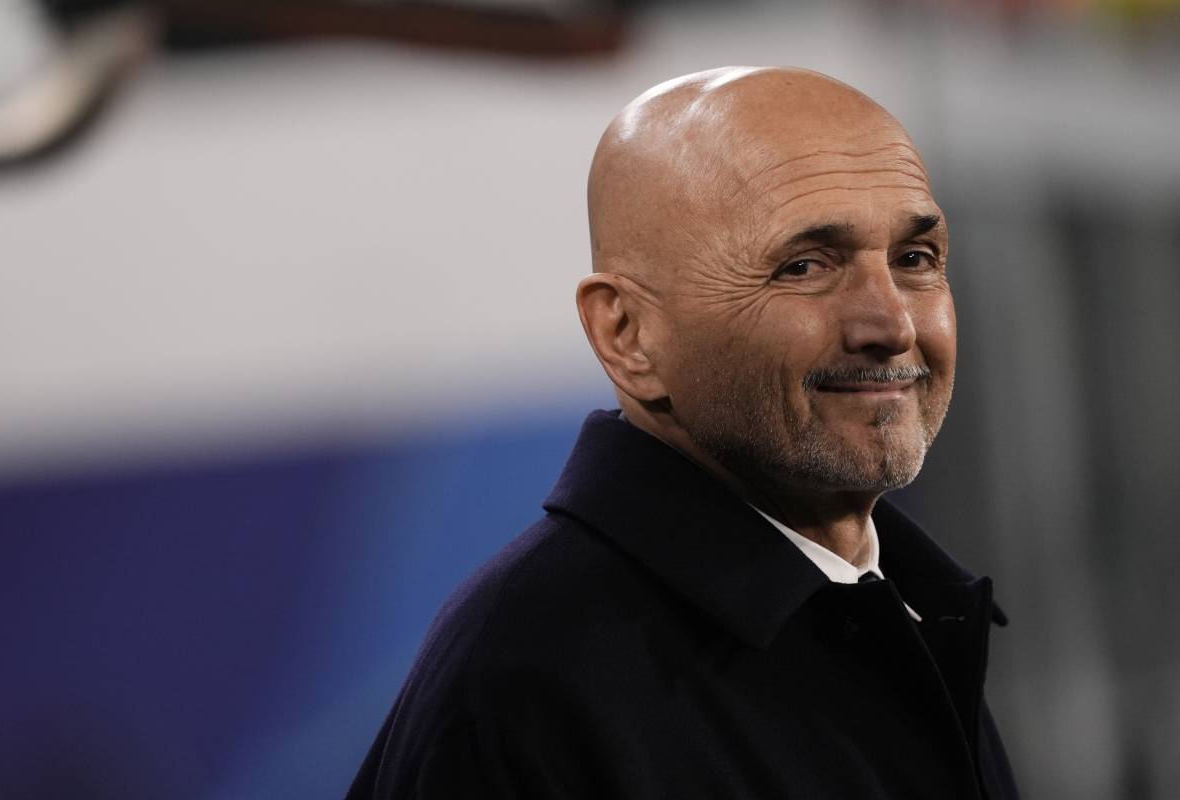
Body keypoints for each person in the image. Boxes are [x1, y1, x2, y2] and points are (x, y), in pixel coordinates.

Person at [346, 66, 1020, 799]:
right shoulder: (527, 682)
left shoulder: (911, 609)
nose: (891, 326)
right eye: (803, 268)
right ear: (628, 334)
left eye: (914, 260)